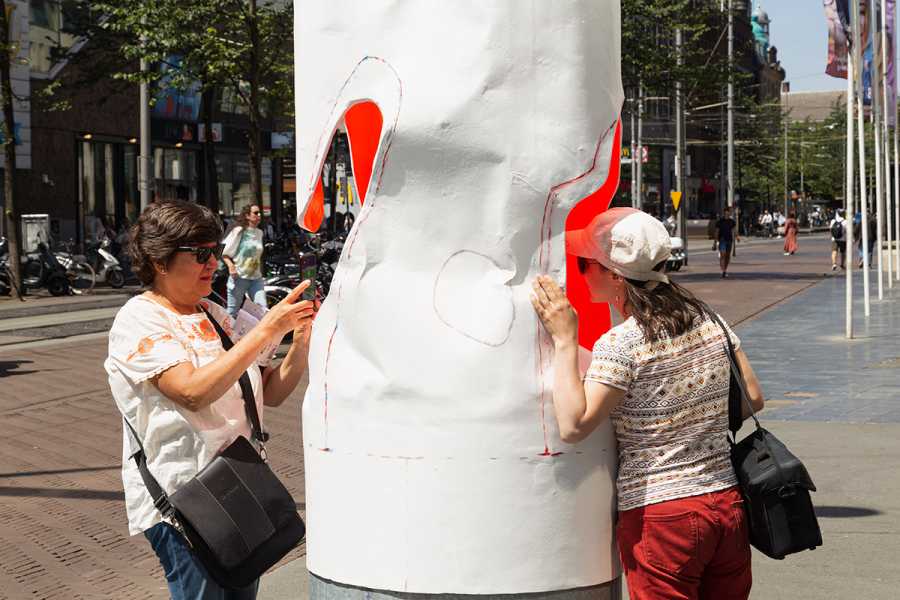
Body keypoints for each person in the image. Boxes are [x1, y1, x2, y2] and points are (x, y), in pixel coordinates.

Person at [530, 207, 765, 600]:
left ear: (615, 276)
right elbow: (753, 398)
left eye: (587, 263)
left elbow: (574, 424)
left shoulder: (623, 344)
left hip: (663, 515)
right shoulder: (708, 319)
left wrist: (565, 340)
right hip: (726, 503)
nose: (580, 272)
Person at [105, 200, 316, 600]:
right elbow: (192, 391)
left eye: (215, 251)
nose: (213, 263)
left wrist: (300, 340)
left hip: (236, 484)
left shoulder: (213, 312)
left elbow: (268, 393)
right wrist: (264, 330)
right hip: (185, 498)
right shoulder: (140, 320)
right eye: (200, 254)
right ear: (160, 261)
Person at [222, 204, 266, 318]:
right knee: (232, 312)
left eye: (259, 213)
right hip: (239, 277)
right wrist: (231, 267)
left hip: (256, 278)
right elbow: (224, 252)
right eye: (255, 213)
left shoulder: (259, 233)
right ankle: (228, 335)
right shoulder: (239, 231)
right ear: (247, 215)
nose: (259, 215)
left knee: (262, 309)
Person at [716, 206, 739, 278]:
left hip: (729, 240)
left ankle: (725, 269)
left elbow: (734, 230)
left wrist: (737, 236)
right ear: (724, 212)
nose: (728, 213)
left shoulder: (732, 222)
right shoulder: (720, 221)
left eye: (729, 212)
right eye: (728, 211)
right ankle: (723, 271)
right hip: (722, 240)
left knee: (727, 256)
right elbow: (717, 231)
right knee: (723, 255)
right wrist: (715, 241)